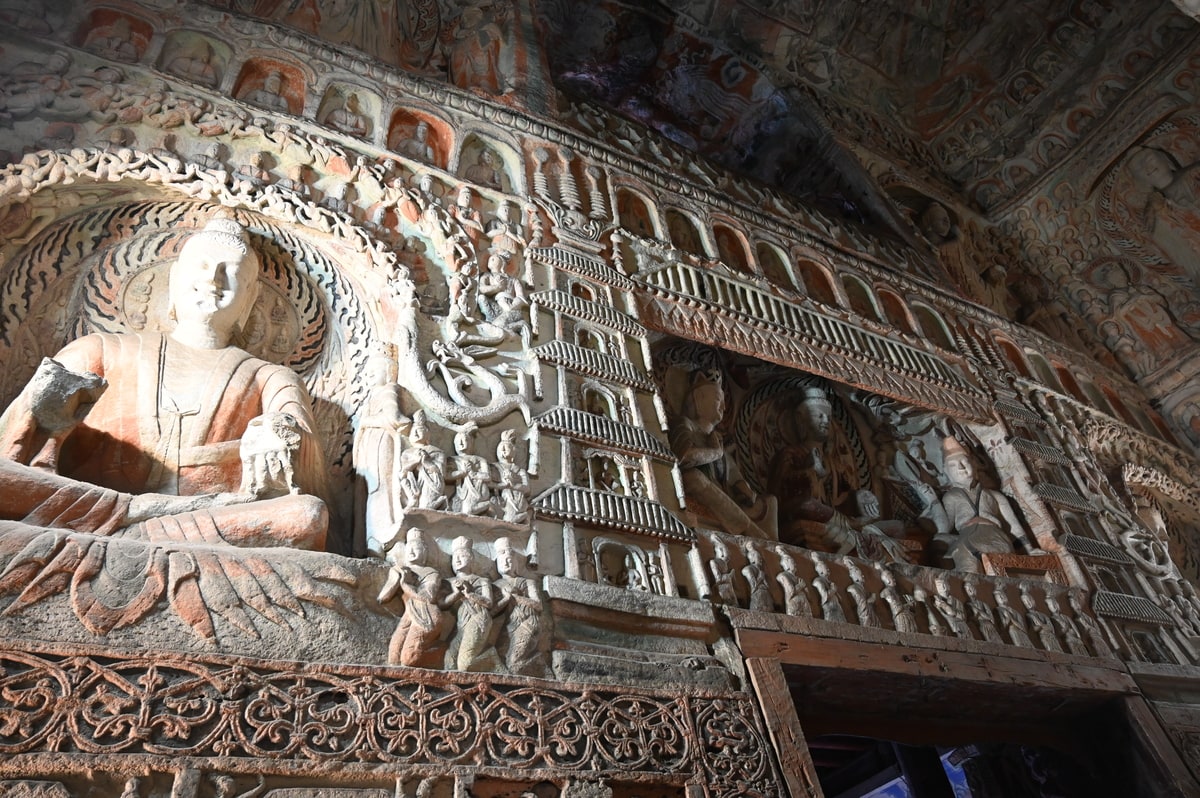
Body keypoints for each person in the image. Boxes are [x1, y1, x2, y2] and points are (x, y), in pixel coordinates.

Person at [0, 214, 328, 550]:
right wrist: (42, 414)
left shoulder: (270, 377)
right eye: (201, 266)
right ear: (174, 280)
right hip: (93, 501)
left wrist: (280, 433)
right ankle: (131, 515)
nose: (212, 280)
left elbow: (305, 477)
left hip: (208, 517)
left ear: (250, 296)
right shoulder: (99, 350)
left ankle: (128, 529)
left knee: (307, 514)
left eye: (231, 272)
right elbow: (14, 448)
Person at [670, 368, 776, 539]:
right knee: (693, 477)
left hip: (721, 492)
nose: (724, 407)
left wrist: (742, 487)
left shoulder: (716, 438)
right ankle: (749, 529)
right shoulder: (686, 424)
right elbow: (682, 457)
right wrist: (715, 453)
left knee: (771, 501)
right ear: (699, 399)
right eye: (718, 400)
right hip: (698, 485)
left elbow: (732, 473)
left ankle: (768, 540)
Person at [933, 436, 1041, 573]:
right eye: (953, 465)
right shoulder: (951, 496)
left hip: (995, 538)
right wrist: (933, 502)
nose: (960, 468)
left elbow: (1013, 525)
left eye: (964, 462)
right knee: (964, 559)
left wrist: (1029, 549)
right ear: (947, 471)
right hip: (966, 538)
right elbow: (944, 528)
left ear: (974, 465)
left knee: (988, 560)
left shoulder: (995, 495)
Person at [378, 527, 447, 668]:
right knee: (393, 656)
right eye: (409, 547)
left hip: (427, 616)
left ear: (425, 552)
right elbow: (382, 598)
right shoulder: (400, 570)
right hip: (409, 615)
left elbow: (428, 597)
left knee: (408, 659)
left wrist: (406, 584)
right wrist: (396, 578)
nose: (411, 551)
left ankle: (442, 654)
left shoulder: (431, 573)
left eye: (416, 548)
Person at [442, 535, 500, 672]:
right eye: (454, 557)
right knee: (449, 660)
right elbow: (442, 604)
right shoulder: (449, 582)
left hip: (478, 619)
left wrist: (469, 594)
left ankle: (493, 659)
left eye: (462, 556)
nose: (457, 560)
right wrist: (456, 594)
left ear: (471, 559)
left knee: (464, 665)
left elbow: (489, 602)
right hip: (462, 623)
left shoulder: (482, 580)